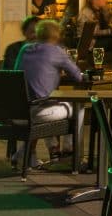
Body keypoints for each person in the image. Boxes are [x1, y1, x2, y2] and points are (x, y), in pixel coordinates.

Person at [14, 18, 85, 167]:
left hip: (17, 110)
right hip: (37, 111)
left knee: (52, 103)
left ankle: (26, 155)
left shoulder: (24, 49)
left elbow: (17, 74)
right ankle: (69, 152)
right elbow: (78, 76)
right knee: (76, 108)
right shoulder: (56, 51)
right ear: (56, 36)